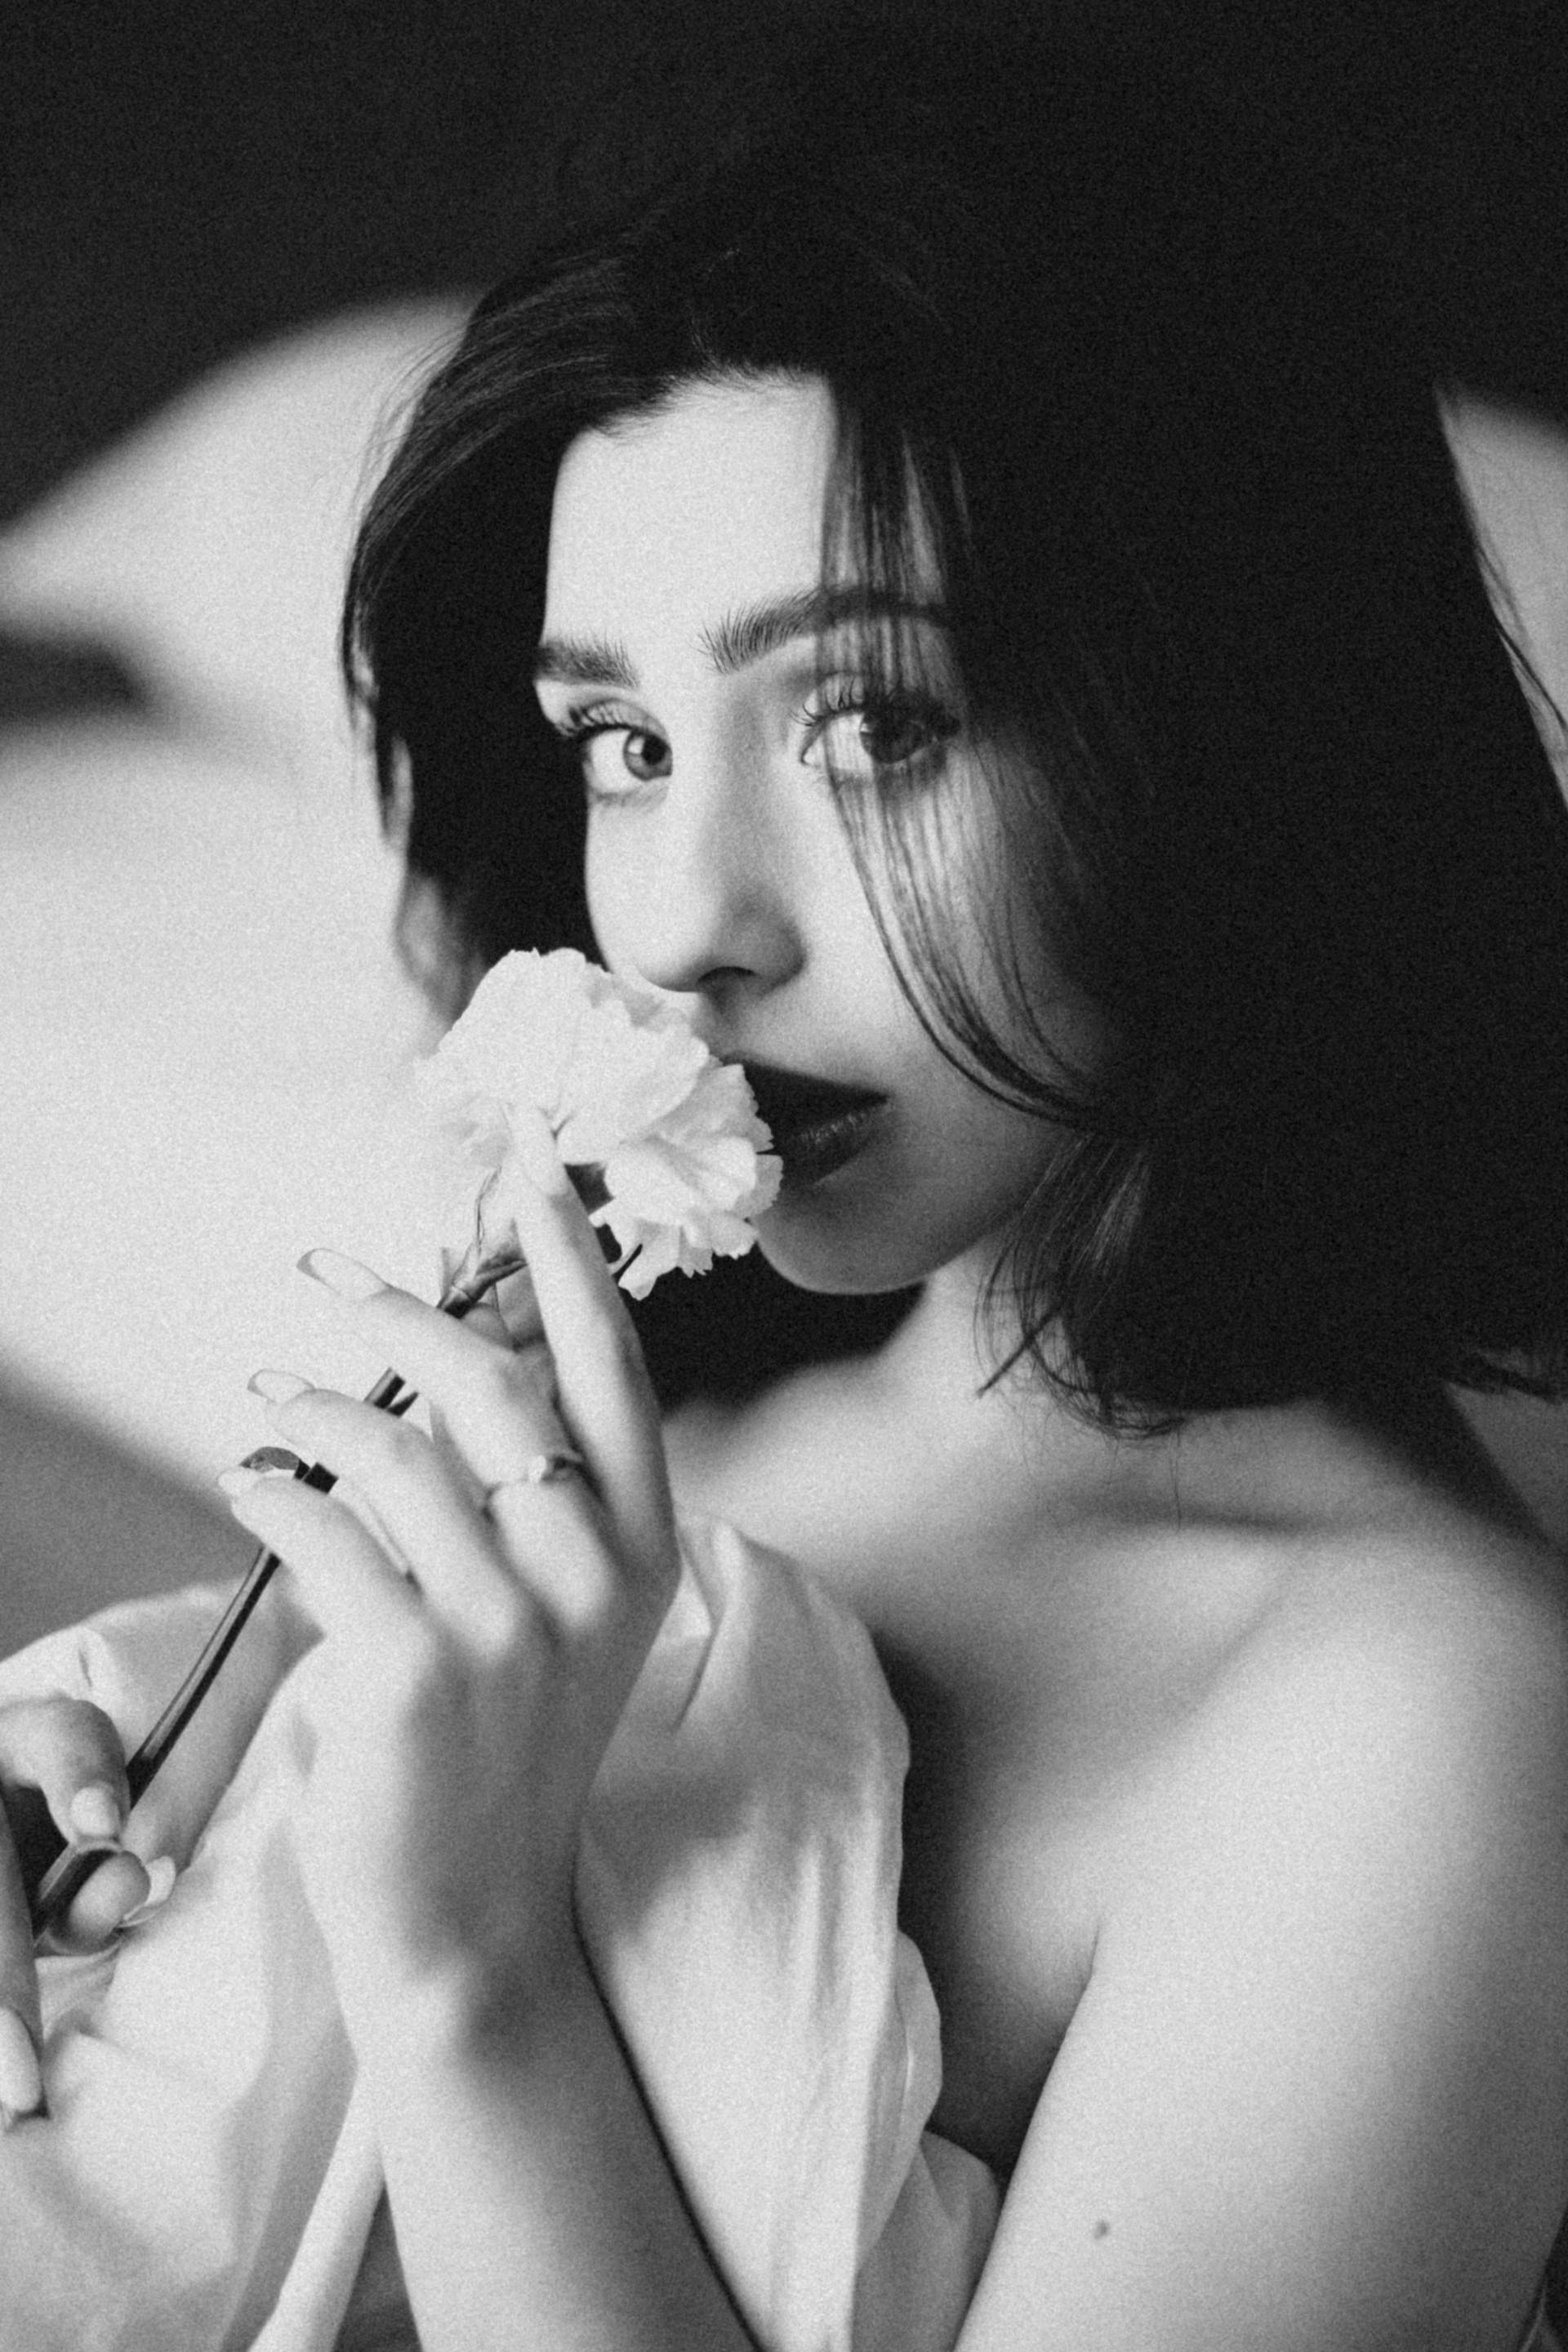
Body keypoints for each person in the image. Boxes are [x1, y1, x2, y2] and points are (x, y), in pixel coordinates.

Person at [2, 24, 1568, 2350]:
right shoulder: (623, 1395)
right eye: (626, 743)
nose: (686, 927)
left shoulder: (1422, 1730)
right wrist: (114, 1909)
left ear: (1227, 726)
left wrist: (468, 1969)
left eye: (872, 726)